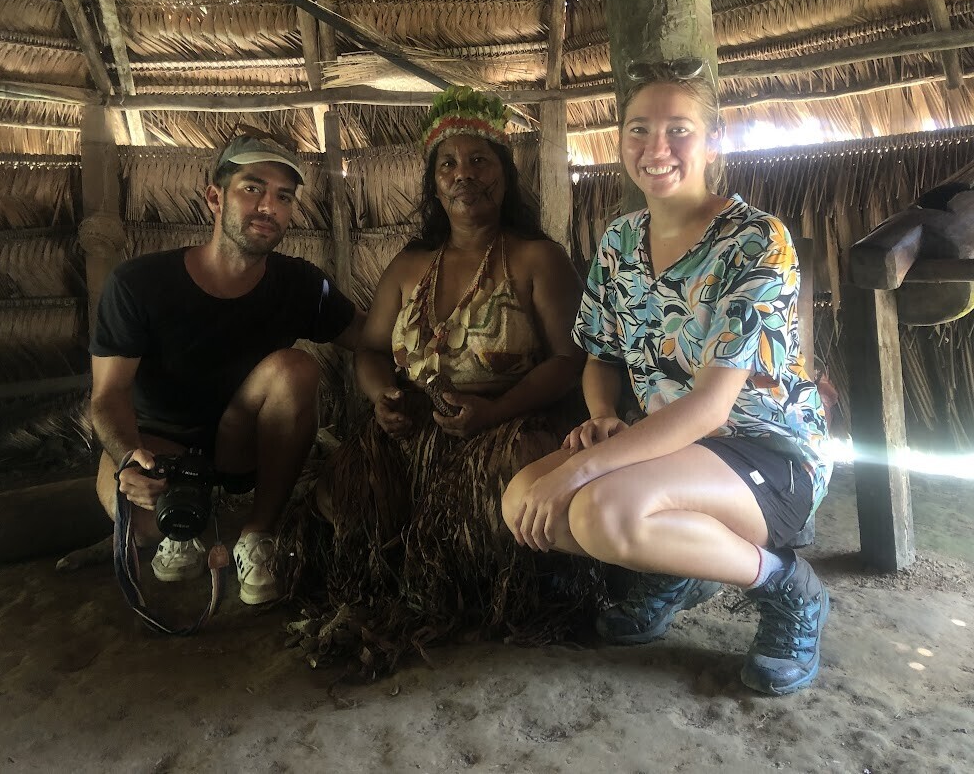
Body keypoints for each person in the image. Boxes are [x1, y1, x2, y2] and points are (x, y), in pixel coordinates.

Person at [501, 59, 832, 696]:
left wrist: (579, 467)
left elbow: (711, 408)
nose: (656, 148)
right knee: (522, 500)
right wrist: (602, 415)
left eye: (679, 130)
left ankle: (788, 588)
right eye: (639, 129)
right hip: (668, 447)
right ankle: (676, 565)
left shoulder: (754, 241)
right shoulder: (620, 242)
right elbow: (600, 356)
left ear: (714, 140)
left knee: (602, 510)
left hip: (766, 454)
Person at [281, 86, 599, 675]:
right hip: (416, 423)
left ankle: (489, 591)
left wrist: (494, 412)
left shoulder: (537, 258)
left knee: (505, 497)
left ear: (505, 174)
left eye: (479, 160)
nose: (463, 175)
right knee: (341, 495)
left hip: (511, 423)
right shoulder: (409, 265)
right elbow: (370, 349)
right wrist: (382, 398)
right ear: (433, 184)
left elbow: (568, 360)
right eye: (447, 164)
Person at [90, 132, 364, 605]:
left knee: (296, 369)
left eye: (284, 197)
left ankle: (258, 534)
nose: (268, 206)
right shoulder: (139, 284)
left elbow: (373, 336)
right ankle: (180, 524)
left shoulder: (300, 285)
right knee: (138, 522)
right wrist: (127, 457)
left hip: (241, 443)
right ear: (215, 198)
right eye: (252, 188)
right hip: (160, 445)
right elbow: (108, 394)